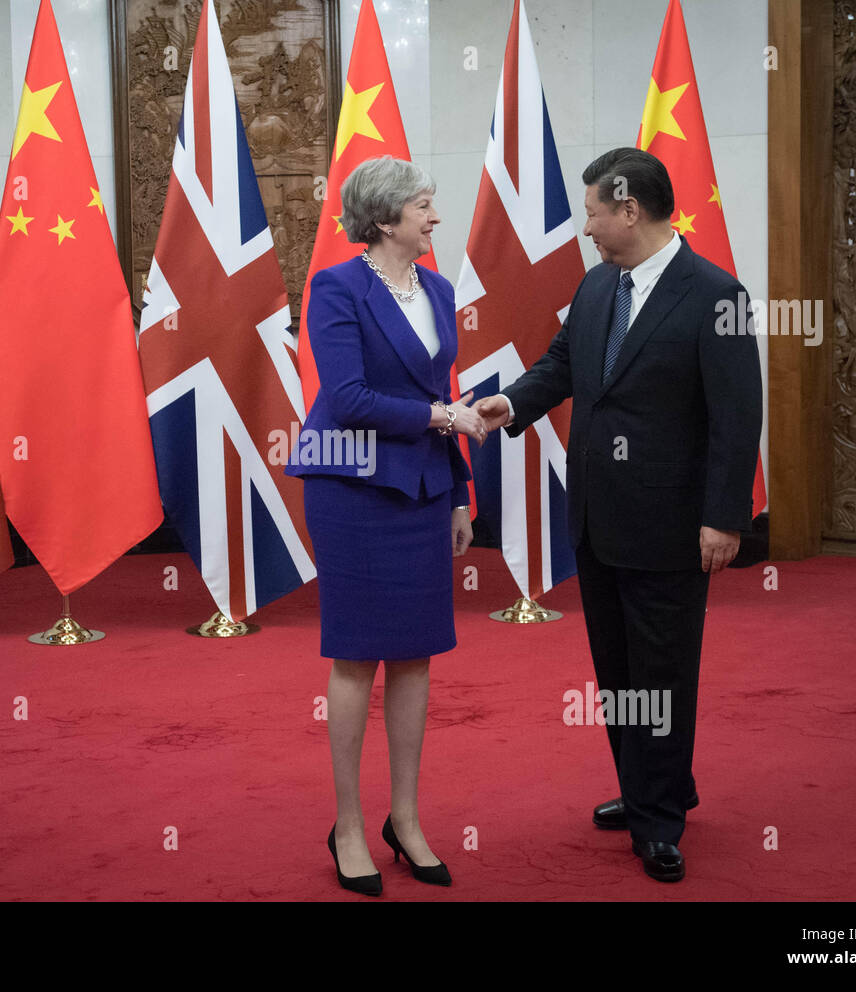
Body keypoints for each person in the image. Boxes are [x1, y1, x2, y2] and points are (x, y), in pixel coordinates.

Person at [475, 147, 762, 882]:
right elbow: (564, 364)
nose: (588, 227)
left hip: (672, 524)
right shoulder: (601, 285)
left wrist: (724, 519)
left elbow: (737, 417)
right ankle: (648, 788)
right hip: (598, 517)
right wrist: (513, 402)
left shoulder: (715, 294)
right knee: (619, 673)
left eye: (595, 212)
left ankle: (661, 821)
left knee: (662, 675)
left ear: (630, 209)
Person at [286, 155, 485, 896]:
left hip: (426, 490)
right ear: (383, 217)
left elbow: (442, 389)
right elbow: (348, 397)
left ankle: (405, 818)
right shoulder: (335, 287)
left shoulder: (437, 287)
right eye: (424, 205)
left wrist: (460, 491)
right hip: (353, 489)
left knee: (416, 654)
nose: (435, 217)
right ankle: (347, 826)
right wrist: (442, 418)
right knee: (358, 655)